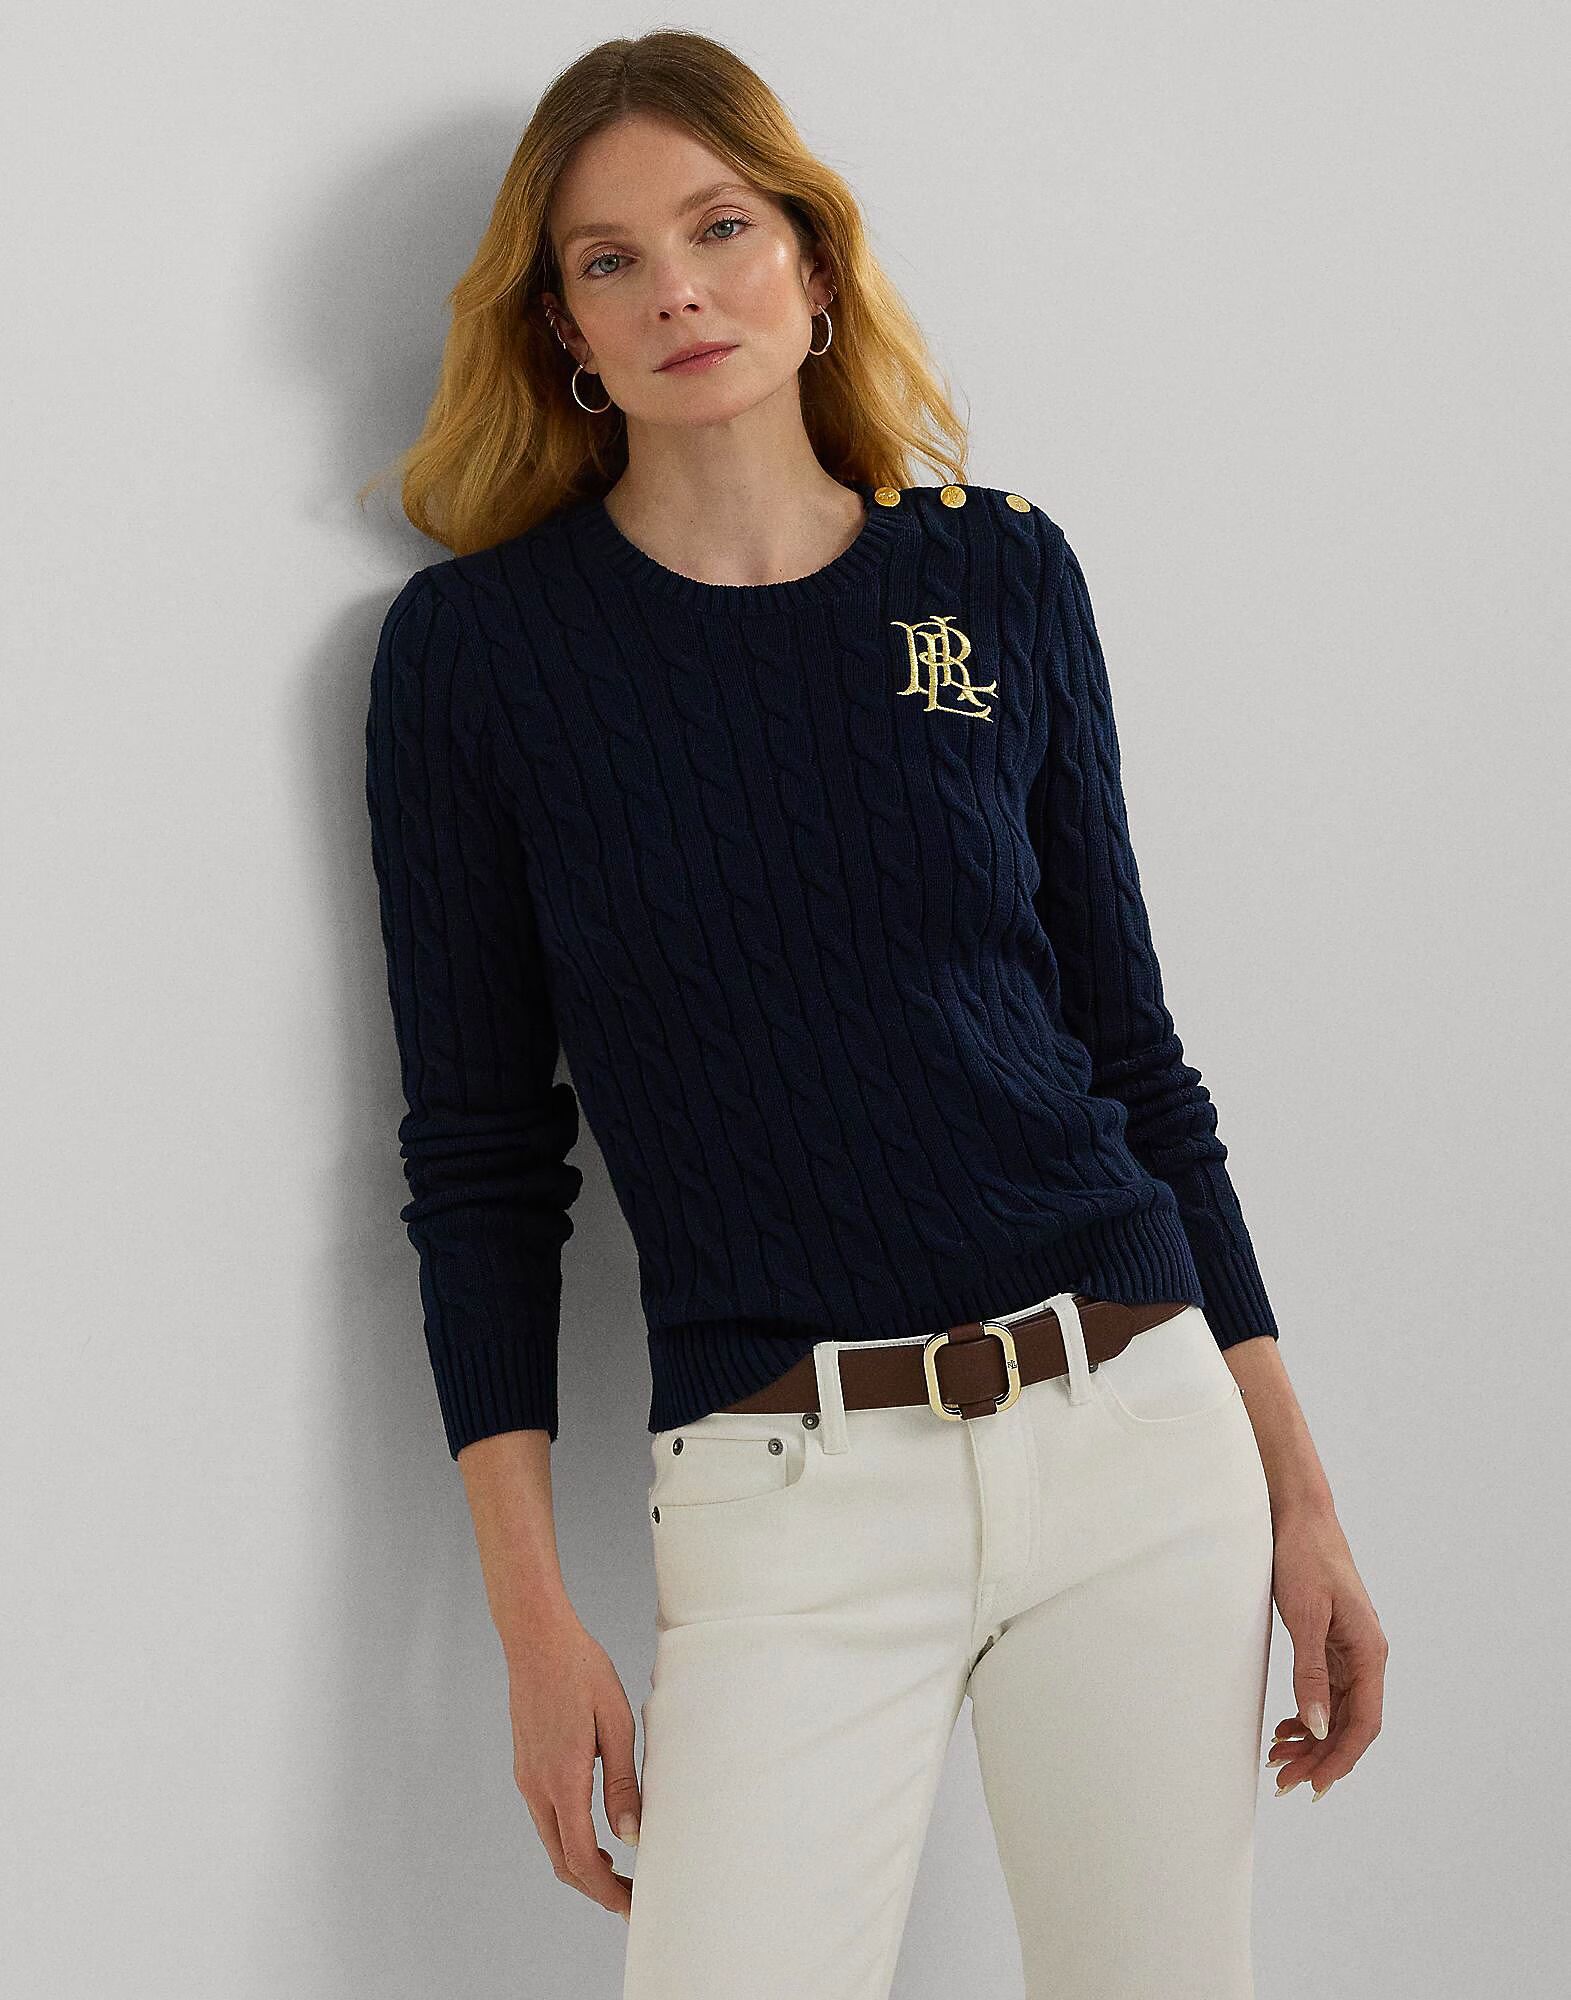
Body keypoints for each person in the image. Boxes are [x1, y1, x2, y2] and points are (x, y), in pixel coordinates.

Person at [359, 29, 1387, 1999]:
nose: (678, 289)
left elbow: (1133, 1057)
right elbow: (480, 1164)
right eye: (609, 259)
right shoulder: (480, 659)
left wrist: (1302, 1491)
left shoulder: (998, 578)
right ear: (564, 330)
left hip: (1133, 1429)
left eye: (721, 228)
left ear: (812, 264)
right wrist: (531, 1628)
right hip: (787, 1493)